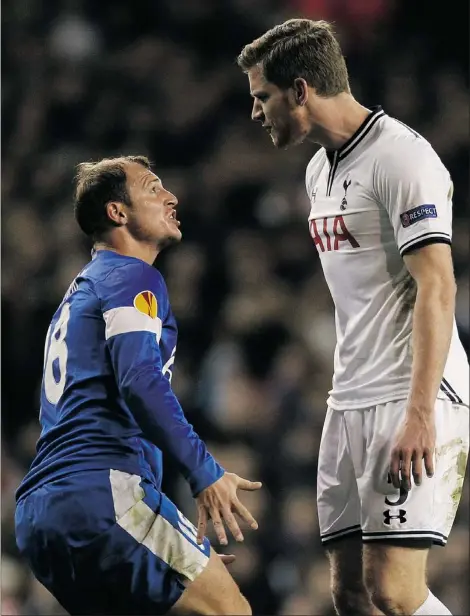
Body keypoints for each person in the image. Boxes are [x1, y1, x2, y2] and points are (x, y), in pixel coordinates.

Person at [237, 19, 469, 616]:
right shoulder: (318, 171)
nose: (256, 112)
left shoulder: (404, 158)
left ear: (301, 90)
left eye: (262, 96)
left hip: (413, 393)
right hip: (349, 397)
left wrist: (420, 415)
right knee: (349, 593)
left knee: (394, 590)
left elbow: (438, 288)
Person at [15, 155, 262, 616]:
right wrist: (204, 471)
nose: (170, 197)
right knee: (232, 611)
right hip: (101, 494)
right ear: (118, 212)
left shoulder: (80, 293)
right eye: (153, 188)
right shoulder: (133, 275)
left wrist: (176, 537)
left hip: (43, 513)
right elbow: (140, 381)